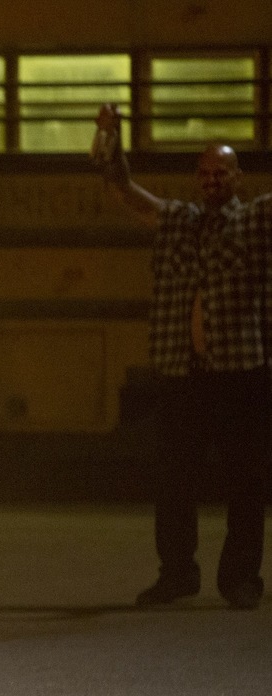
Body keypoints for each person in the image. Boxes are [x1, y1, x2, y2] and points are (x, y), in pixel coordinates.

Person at [95, 104, 271, 611]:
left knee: (244, 479)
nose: (213, 180)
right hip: (181, 369)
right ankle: (176, 573)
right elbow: (126, 191)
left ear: (238, 178)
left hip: (239, 370)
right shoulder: (179, 221)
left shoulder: (255, 220)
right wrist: (111, 140)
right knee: (174, 479)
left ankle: (240, 577)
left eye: (222, 172)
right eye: (206, 172)